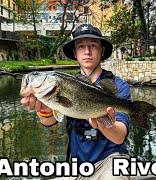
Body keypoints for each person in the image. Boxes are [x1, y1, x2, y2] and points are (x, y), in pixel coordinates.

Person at [20, 24, 130, 179]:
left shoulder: (118, 86)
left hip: (110, 160)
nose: (87, 51)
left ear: (102, 50)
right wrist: (44, 109)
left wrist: (103, 123)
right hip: (77, 166)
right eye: (81, 46)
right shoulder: (66, 83)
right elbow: (50, 121)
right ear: (74, 52)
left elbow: (119, 137)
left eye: (93, 45)